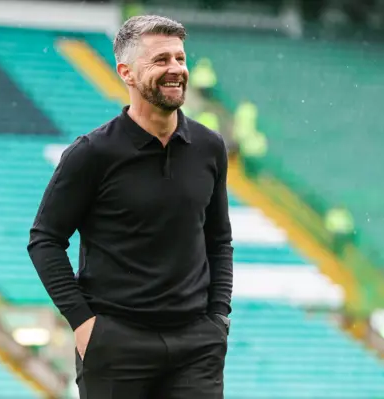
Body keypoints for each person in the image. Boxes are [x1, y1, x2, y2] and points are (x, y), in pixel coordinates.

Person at [27, 15, 234, 399]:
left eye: (179, 58)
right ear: (127, 73)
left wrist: (218, 317)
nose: (175, 69)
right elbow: (45, 240)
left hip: (196, 346)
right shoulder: (92, 153)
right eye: (161, 60)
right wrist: (84, 324)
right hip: (115, 345)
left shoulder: (210, 148)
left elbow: (219, 239)